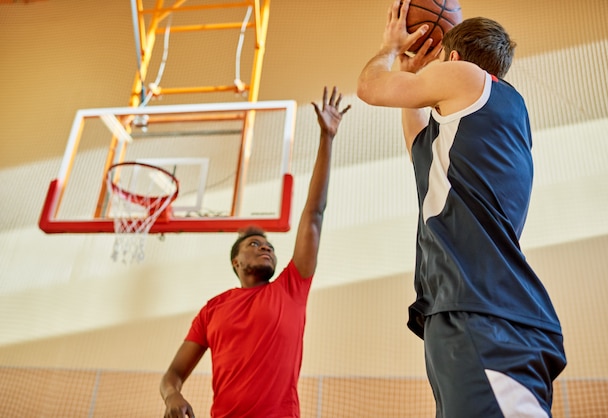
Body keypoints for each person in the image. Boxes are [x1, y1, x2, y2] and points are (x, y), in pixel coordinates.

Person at [357, 1, 566, 417]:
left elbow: (370, 88)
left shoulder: (469, 77)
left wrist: (389, 47)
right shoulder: (476, 126)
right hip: (464, 311)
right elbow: (415, 128)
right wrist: (409, 65)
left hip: (485, 314)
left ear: (451, 59)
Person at [159, 86, 350, 418]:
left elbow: (314, 214)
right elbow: (171, 376)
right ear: (237, 262)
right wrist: (172, 395)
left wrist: (327, 139)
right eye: (255, 245)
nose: (266, 248)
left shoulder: (291, 287)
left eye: (270, 247)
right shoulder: (212, 310)